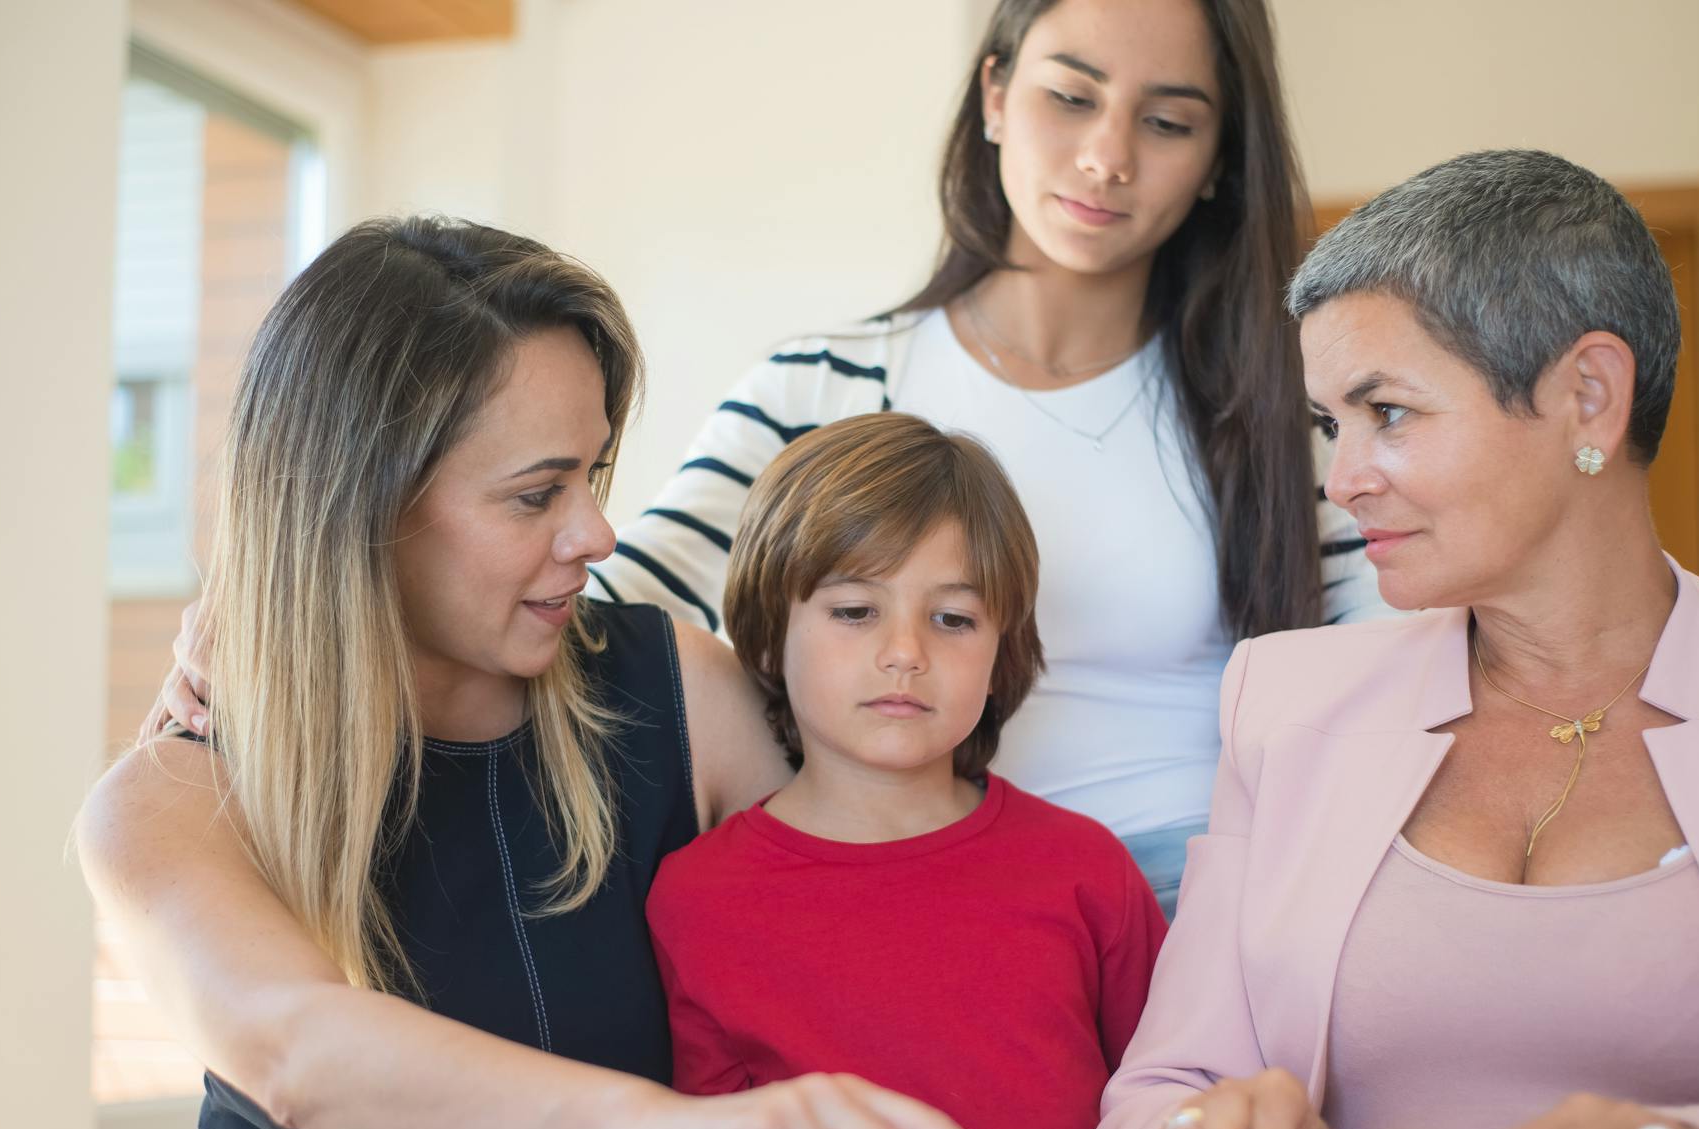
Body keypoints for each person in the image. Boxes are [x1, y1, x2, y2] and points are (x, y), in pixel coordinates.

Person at [76, 217, 1011, 1129]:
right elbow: (298, 1053)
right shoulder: (166, 804)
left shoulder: (684, 694)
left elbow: (910, 898)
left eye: (593, 474)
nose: (596, 533)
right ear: (357, 507)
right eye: (536, 495)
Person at [500, 0, 1387, 916]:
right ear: (995, 95)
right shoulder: (820, 385)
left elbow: (1401, 670)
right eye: (1072, 97)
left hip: (1198, 907)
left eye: (1167, 122)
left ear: (1217, 162)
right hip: (901, 903)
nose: (1107, 157)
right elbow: (603, 615)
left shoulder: (1288, 414)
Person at [1092, 151, 1699, 1129]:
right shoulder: (1282, 701)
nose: (1341, 480)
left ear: (1587, 396)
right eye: (1327, 424)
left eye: (1385, 411)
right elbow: (1154, 1093)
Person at [646, 412, 1167, 1129]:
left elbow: (1169, 1095)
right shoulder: (694, 897)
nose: (904, 653)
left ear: (1003, 653)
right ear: (765, 638)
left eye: (953, 619)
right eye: (854, 611)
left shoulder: (1083, 864)